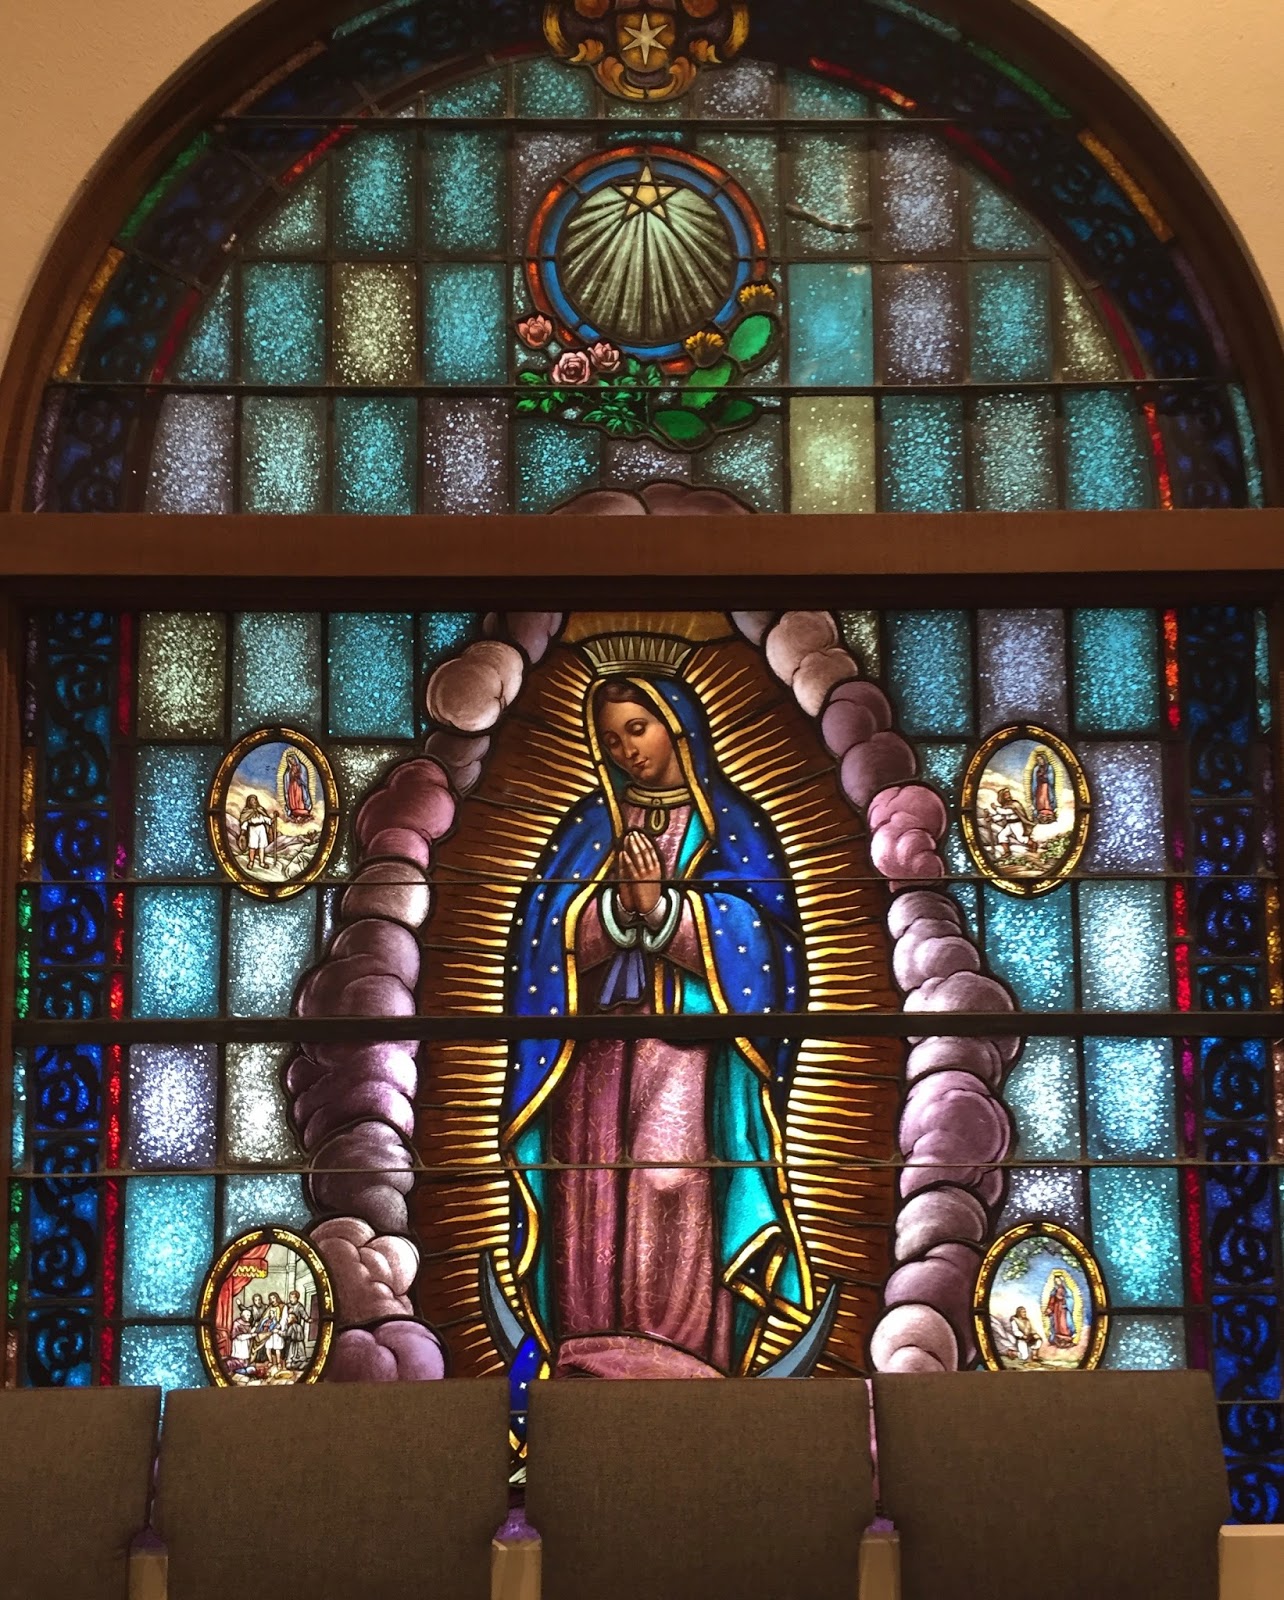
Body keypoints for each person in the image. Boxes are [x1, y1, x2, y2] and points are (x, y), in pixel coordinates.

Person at [501, 669, 812, 1384]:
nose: (627, 752)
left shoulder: (731, 826)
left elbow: (771, 947)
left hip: (690, 1054)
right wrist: (614, 912)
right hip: (590, 1056)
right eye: (611, 741)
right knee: (588, 1196)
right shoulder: (589, 829)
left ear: (676, 727)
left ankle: (683, 1362)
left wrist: (666, 911)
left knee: (670, 1185)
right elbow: (540, 938)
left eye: (637, 730)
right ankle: (586, 1351)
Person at [987, 787, 1034, 858]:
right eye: (1006, 795)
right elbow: (1001, 816)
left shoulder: (1014, 804)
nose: (1008, 796)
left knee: (1021, 838)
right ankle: (1007, 852)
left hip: (1016, 824)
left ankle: (1034, 845)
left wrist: (996, 808)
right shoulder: (1005, 805)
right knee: (1001, 836)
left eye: (1008, 794)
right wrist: (992, 818)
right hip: (1009, 825)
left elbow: (1006, 812)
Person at [237, 793, 277, 870]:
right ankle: (251, 862)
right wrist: (242, 833)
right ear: (249, 802)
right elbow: (245, 822)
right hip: (252, 829)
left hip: (261, 829)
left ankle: (262, 862)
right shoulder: (246, 812)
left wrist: (274, 818)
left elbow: (267, 820)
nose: (254, 801)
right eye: (252, 800)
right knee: (252, 846)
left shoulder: (260, 810)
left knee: (262, 846)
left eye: (255, 800)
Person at [1043, 1270, 1077, 1349]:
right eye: (1056, 1281)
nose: (1057, 1282)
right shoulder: (1054, 1291)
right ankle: (1058, 1340)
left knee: (1064, 1324)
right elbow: (1051, 1301)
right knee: (1057, 1324)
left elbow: (1070, 1299)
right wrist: (1049, 1309)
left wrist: (1064, 1300)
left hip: (1064, 1309)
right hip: (1056, 1309)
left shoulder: (1066, 1290)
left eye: (1058, 1281)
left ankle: (1066, 1339)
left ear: (1062, 1281)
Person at [284, 750, 313, 823]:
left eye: (292, 759)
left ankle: (302, 810)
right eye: (289, 761)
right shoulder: (289, 770)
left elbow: (304, 778)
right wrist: (291, 775)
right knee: (292, 798)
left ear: (295, 758)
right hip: (291, 786)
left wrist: (297, 776)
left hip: (299, 786)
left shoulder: (301, 767)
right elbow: (287, 778)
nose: (291, 762)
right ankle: (294, 811)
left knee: (299, 797)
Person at [283, 1288, 309, 1371]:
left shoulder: (299, 1306)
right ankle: (290, 1361)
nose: (291, 1299)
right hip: (288, 1326)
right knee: (288, 1346)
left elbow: (304, 1314)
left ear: (297, 1298)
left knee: (297, 1348)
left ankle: (297, 1362)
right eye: (290, 1297)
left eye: (293, 1297)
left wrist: (307, 1319)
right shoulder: (287, 1305)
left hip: (295, 1326)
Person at [1030, 748, 1057, 825]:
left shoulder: (1049, 767)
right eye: (1038, 760)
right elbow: (1034, 780)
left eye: (1041, 759)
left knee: (1047, 799)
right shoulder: (1036, 769)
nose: (1040, 761)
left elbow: (1051, 779)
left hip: (1046, 787)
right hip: (1039, 787)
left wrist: (1045, 777)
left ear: (1044, 759)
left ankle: (1049, 813)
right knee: (1040, 800)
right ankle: (1040, 813)